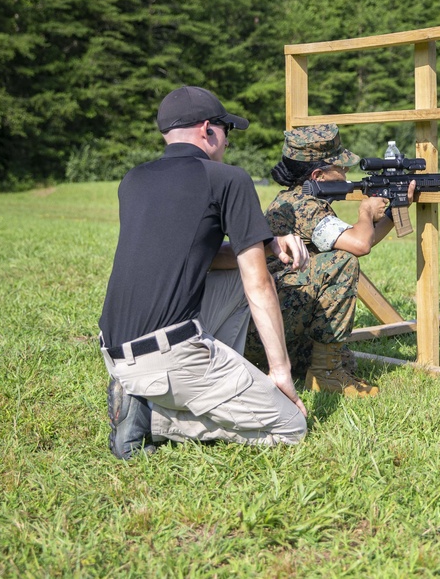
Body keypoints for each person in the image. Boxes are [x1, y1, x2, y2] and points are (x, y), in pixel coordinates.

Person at [99, 85, 309, 460]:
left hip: (115, 352)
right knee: (290, 425)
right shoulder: (227, 178)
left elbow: (195, 255)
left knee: (235, 275)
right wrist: (281, 374)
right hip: (169, 355)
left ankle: (164, 392)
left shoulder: (133, 180)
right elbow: (258, 283)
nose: (228, 143)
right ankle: (152, 417)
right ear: (208, 129)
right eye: (227, 132)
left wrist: (266, 244)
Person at [244, 124, 413, 398]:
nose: (347, 173)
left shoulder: (300, 199)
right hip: (262, 326)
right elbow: (357, 247)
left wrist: (394, 210)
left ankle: (322, 367)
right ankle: (325, 374)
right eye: (341, 167)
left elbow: (360, 239)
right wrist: (365, 209)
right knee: (342, 262)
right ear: (318, 175)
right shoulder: (303, 205)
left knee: (347, 360)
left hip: (273, 319)